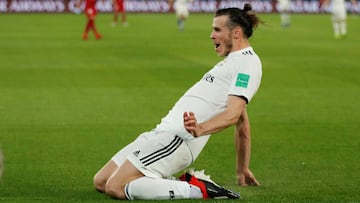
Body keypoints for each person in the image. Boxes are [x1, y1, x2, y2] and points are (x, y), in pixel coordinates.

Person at [93, 4, 262, 200]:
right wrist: (242, 170)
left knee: (115, 187)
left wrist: (200, 128)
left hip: (178, 139)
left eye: (217, 29)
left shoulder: (247, 64)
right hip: (161, 133)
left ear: (236, 33)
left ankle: (198, 189)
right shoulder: (233, 62)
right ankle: (167, 182)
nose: (211, 35)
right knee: (101, 181)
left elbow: (233, 113)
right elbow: (242, 123)